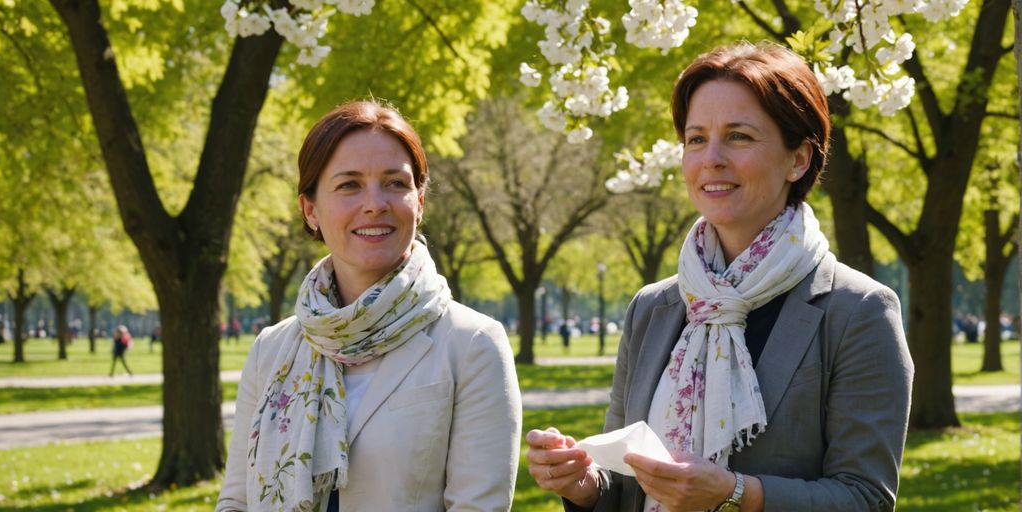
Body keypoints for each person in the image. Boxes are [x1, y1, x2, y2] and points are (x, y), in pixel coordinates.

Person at [526, 42, 914, 512]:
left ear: (799, 159)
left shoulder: (858, 311)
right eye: (695, 139)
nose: (711, 158)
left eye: (738, 137)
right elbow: (623, 489)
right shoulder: (652, 308)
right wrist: (584, 483)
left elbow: (866, 499)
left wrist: (736, 493)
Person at [217, 100, 522, 512]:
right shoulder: (271, 350)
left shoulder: (472, 345)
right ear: (310, 211)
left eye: (396, 183)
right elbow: (237, 500)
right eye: (349, 185)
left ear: (420, 201)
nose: (375, 203)